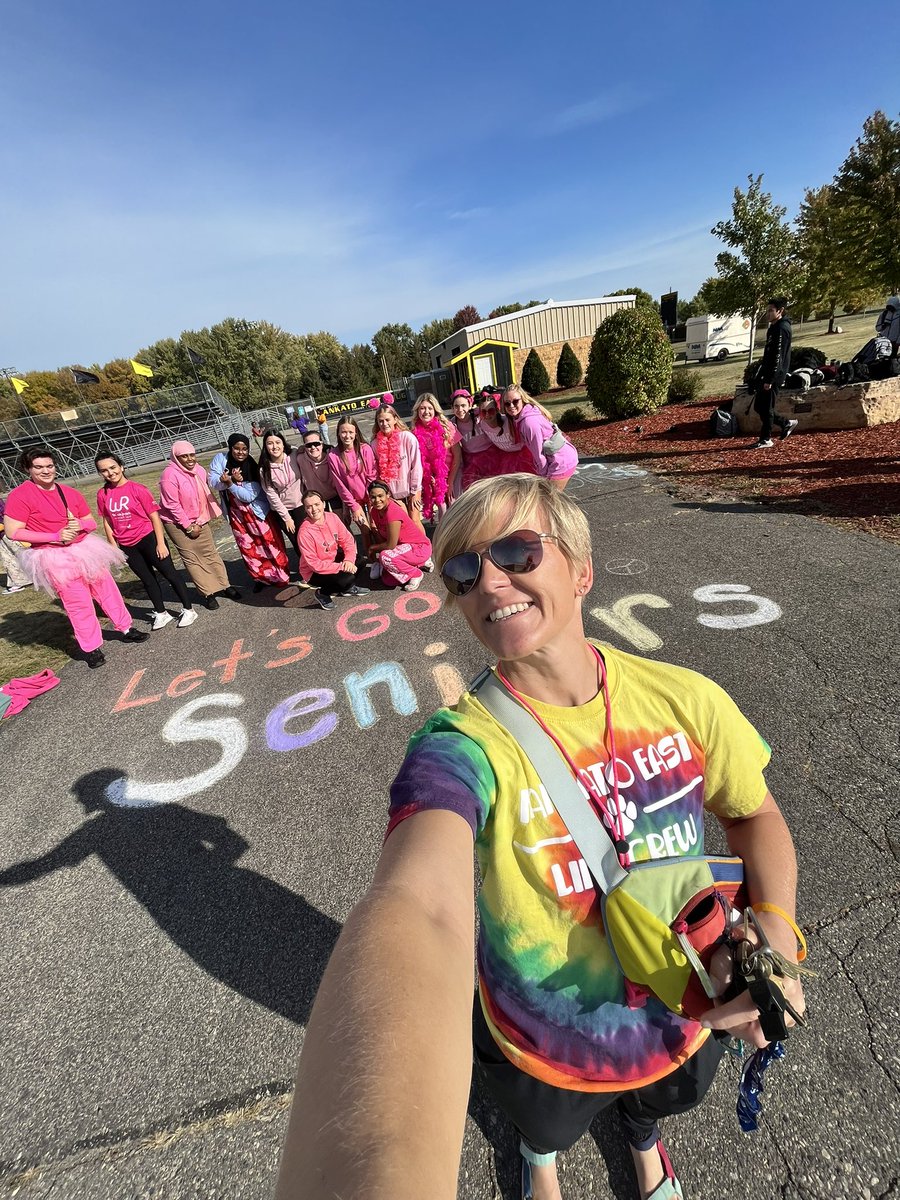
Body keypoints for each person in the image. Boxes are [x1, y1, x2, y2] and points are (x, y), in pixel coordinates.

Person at [275, 473, 806, 1200]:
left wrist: (773, 938)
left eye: (518, 553)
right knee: (545, 1124)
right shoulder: (463, 745)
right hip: (540, 1038)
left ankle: (644, 1141)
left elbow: (754, 816)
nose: (490, 582)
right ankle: (540, 1155)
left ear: (583, 570)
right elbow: (419, 905)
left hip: (681, 1010)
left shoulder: (687, 699)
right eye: (463, 572)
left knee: (660, 1104)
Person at [4, 447, 148, 668]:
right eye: (39, 467)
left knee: (107, 590)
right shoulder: (20, 495)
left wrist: (79, 525)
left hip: (84, 549)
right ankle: (91, 648)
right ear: (28, 469)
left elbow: (89, 522)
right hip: (53, 556)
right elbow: (14, 531)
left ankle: (126, 628)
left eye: (49, 466)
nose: (46, 471)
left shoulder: (68, 492)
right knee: (78, 604)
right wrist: (55, 536)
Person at [95, 451, 197, 630]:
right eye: (104, 470)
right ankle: (161, 613)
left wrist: (160, 543)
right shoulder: (103, 494)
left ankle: (188, 609)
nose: (110, 473)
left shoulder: (137, 489)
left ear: (121, 467)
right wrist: (113, 546)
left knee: (170, 574)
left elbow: (154, 516)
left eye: (112, 467)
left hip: (148, 538)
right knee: (147, 580)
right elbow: (107, 520)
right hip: (127, 544)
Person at [157, 441, 239, 611]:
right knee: (192, 558)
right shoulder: (169, 475)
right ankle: (207, 593)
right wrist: (188, 526)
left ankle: (224, 585)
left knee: (210, 553)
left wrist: (228, 481)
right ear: (176, 457)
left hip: (200, 519)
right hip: (177, 523)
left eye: (192, 455)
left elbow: (211, 485)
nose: (189, 459)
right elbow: (172, 505)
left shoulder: (199, 470)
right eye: (184, 456)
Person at [208, 434, 290, 592]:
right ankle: (260, 578)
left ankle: (280, 575)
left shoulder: (251, 465)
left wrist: (230, 483)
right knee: (249, 548)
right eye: (236, 448)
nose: (241, 452)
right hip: (238, 516)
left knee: (269, 544)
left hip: (257, 514)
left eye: (244, 449)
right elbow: (213, 481)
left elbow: (248, 496)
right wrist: (227, 480)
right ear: (230, 448)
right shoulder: (221, 459)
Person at [297, 490, 371, 611]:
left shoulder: (332, 517)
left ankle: (346, 589)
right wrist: (342, 566)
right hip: (313, 572)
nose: (314, 509)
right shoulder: (305, 532)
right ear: (305, 509)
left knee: (361, 561)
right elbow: (314, 564)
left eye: (317, 504)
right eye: (309, 507)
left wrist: (349, 560)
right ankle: (323, 593)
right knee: (346, 578)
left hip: (332, 558)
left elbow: (347, 540)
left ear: (324, 504)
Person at [502, 385, 579, 488]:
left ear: (523, 400)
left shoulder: (529, 423)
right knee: (551, 500)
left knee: (549, 499)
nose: (511, 406)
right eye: (507, 403)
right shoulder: (528, 412)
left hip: (561, 461)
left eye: (515, 401)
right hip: (561, 456)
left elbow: (540, 456)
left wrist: (543, 479)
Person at [366, 479, 433, 591]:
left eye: (380, 496)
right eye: (373, 497)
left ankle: (416, 573)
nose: (377, 500)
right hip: (404, 548)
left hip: (419, 547)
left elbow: (390, 545)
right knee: (387, 580)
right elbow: (384, 537)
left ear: (388, 495)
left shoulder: (392, 512)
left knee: (386, 557)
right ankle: (418, 563)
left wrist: (373, 548)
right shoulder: (374, 511)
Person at [753, 298, 798, 449]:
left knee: (766, 407)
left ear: (780, 311)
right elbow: (769, 354)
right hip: (767, 374)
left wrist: (770, 379)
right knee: (759, 406)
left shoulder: (782, 329)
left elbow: (778, 356)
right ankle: (785, 423)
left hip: (774, 376)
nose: (768, 314)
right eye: (767, 311)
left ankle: (766, 439)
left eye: (771, 311)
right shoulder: (773, 328)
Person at [259, 428, 306, 566]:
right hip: (283, 510)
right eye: (270, 443)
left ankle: (320, 565)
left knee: (308, 538)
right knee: (297, 541)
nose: (274, 446)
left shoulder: (294, 454)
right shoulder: (264, 469)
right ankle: (307, 570)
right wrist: (286, 518)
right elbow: (271, 494)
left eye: (278, 442)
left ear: (283, 443)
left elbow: (309, 450)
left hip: (301, 504)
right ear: (265, 446)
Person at [411, 393, 460, 522]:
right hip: (432, 477)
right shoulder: (414, 433)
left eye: (430, 408)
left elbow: (458, 456)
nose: (426, 412)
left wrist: (449, 482)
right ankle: (444, 537)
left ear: (435, 410)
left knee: (455, 508)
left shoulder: (446, 427)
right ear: (417, 411)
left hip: (452, 474)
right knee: (442, 507)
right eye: (422, 408)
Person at [371, 403, 423, 520]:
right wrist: (386, 495)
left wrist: (415, 491)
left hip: (412, 490)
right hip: (392, 494)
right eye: (381, 421)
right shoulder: (375, 444)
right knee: (402, 524)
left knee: (415, 521)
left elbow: (416, 466)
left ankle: (426, 539)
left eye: (387, 420)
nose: (384, 424)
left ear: (395, 419)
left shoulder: (407, 437)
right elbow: (378, 472)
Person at [328, 417, 377, 527]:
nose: (347, 436)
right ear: (338, 433)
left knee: (375, 527)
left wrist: (372, 498)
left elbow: (372, 476)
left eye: (350, 432)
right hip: (354, 500)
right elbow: (340, 485)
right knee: (365, 529)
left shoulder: (365, 449)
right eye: (343, 432)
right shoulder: (333, 455)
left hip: (371, 495)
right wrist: (353, 506)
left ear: (356, 433)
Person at [479, 393, 540, 476]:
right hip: (505, 456)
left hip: (523, 454)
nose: (487, 415)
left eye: (491, 411)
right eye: (483, 412)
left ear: (497, 410)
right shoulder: (482, 424)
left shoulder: (509, 421)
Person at [449, 388, 492, 493]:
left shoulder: (479, 414)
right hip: (471, 459)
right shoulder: (453, 424)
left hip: (490, 455)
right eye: (456, 406)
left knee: (491, 486)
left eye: (463, 406)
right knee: (474, 490)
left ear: (470, 405)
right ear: (452, 408)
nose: (460, 410)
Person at [296, 427, 341, 511]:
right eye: (308, 445)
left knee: (341, 521)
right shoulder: (300, 459)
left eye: (316, 444)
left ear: (322, 444)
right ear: (304, 447)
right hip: (316, 498)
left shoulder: (332, 456)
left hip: (336, 494)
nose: (313, 447)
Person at [0, 493, 30, 594]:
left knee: (13, 556)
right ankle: (21, 580)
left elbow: (5, 514)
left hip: (8, 533)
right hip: (6, 533)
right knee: (11, 556)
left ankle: (18, 582)